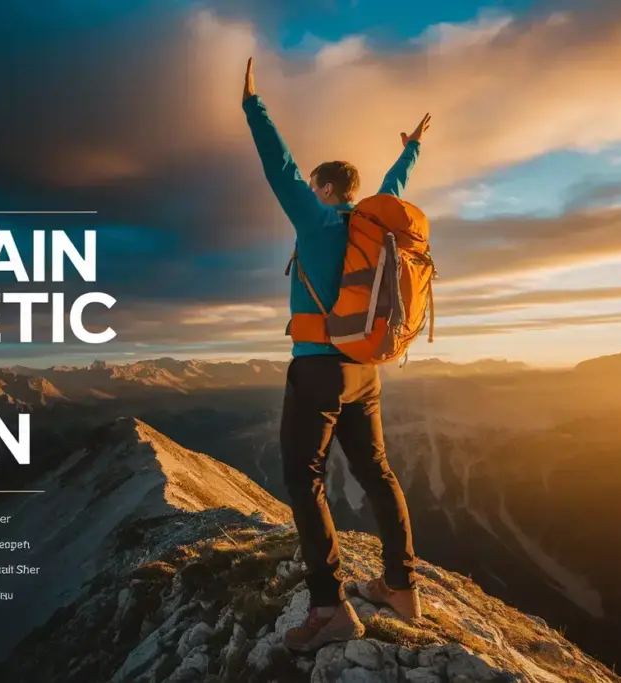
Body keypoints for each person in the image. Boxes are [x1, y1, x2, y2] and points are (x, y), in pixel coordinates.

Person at [242, 57, 430, 652]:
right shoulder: (376, 226)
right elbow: (395, 187)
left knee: (304, 478)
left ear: (325, 189)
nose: (312, 193)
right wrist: (412, 149)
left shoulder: (317, 220)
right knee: (377, 472)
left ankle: (330, 608)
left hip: (317, 368)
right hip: (364, 370)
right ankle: (401, 587)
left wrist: (253, 105)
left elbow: (280, 167)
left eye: (316, 189)